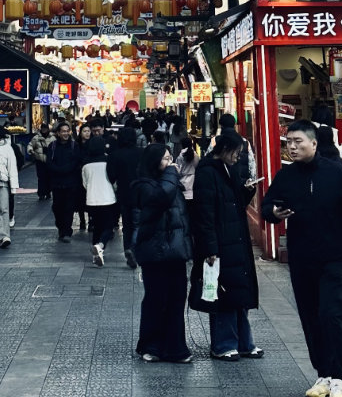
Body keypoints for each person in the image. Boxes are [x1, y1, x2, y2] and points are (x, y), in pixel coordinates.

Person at [262, 120, 342, 397]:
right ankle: (323, 374)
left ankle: (338, 382)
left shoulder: (336, 172)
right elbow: (267, 205)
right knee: (311, 317)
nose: (292, 147)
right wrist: (274, 212)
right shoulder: (286, 175)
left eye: (298, 141)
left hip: (334, 258)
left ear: (313, 143)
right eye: (288, 142)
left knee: (333, 314)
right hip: (301, 259)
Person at [189, 129, 261, 359]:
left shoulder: (231, 170)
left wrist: (247, 191)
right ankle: (223, 344)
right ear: (225, 150)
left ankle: (244, 342)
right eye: (236, 152)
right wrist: (209, 247)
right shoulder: (207, 173)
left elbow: (236, 204)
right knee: (223, 294)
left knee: (239, 294)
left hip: (236, 239)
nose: (238, 157)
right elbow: (204, 213)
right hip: (219, 242)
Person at [131, 141, 193, 363]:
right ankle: (151, 345)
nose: (170, 163)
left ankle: (176, 347)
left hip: (175, 251)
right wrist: (171, 174)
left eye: (170, 159)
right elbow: (161, 197)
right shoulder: (142, 185)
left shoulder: (170, 182)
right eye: (165, 159)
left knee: (176, 298)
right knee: (156, 298)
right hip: (153, 252)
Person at [107, 124, 143, 267]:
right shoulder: (141, 153)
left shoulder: (114, 154)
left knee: (126, 226)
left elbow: (111, 176)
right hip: (139, 193)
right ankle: (133, 249)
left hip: (122, 194)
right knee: (138, 224)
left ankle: (127, 248)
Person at [81, 135, 117, 266]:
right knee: (108, 226)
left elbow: (85, 183)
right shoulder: (108, 161)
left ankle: (95, 254)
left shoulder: (85, 164)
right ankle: (100, 246)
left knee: (97, 227)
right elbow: (113, 179)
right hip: (107, 198)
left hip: (92, 199)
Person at [46, 121, 82, 242]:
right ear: (58, 133)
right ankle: (61, 227)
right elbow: (49, 163)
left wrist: (66, 170)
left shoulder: (74, 146)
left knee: (69, 207)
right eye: (63, 131)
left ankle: (67, 231)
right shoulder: (52, 146)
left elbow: (76, 162)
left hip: (71, 182)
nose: (66, 133)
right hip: (56, 183)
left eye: (67, 131)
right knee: (57, 207)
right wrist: (58, 170)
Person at [28, 124, 52, 201]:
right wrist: (31, 151)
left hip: (50, 161)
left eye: (45, 128)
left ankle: (48, 192)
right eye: (43, 128)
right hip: (40, 160)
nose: (44, 130)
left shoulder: (52, 138)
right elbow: (30, 145)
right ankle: (41, 193)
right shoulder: (36, 138)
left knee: (49, 177)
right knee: (41, 178)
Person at [173, 133, 198, 201]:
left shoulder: (181, 156)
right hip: (193, 180)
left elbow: (178, 169)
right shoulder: (195, 155)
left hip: (183, 180)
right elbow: (196, 166)